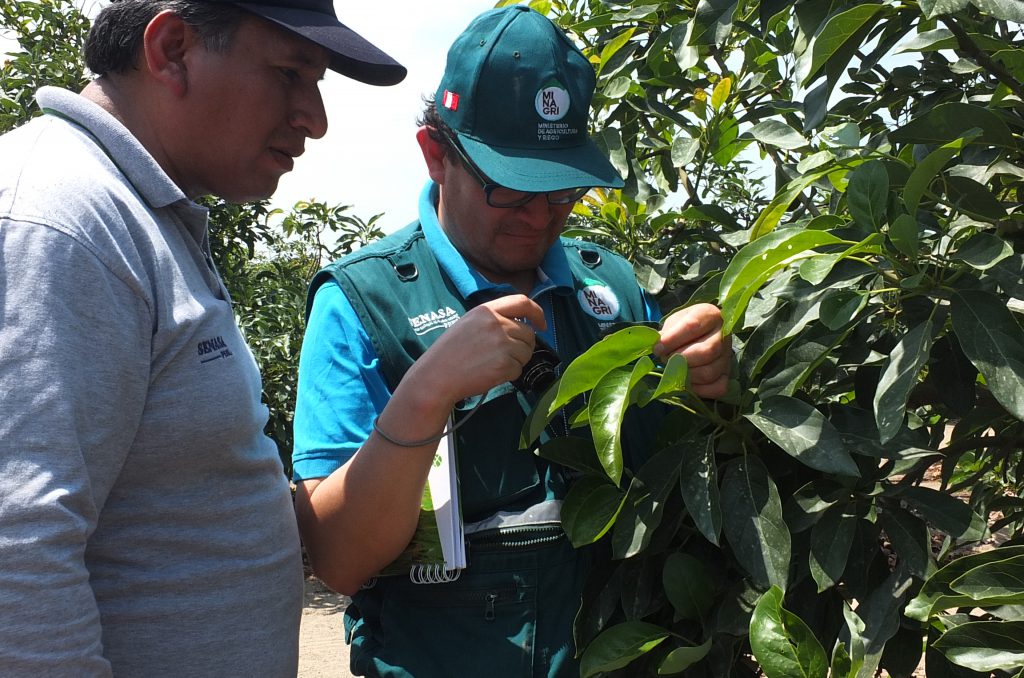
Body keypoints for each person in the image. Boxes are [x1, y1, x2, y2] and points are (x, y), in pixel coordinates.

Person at [291, 6, 732, 677]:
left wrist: (708, 382)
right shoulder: (362, 303)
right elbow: (340, 559)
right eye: (510, 190)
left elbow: (677, 480)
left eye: (561, 192)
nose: (539, 216)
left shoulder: (611, 289)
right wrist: (428, 392)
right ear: (437, 154)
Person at [0, 0, 404, 675]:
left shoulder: (137, 215)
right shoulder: (63, 221)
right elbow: (17, 551)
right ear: (172, 50)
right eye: (289, 74)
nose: (316, 119)